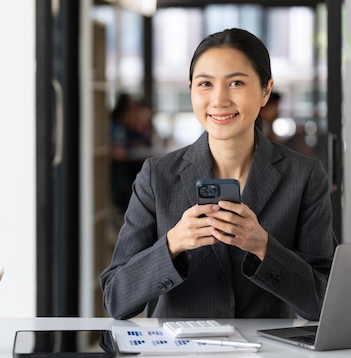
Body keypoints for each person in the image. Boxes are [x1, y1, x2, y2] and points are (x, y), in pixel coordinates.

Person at [99, 28, 337, 321]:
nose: (219, 99)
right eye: (205, 84)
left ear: (265, 91)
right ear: (191, 91)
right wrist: (173, 243)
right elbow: (116, 299)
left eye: (236, 82)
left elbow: (325, 301)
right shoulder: (156, 176)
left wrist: (263, 246)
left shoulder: (304, 176)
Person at [110, 93, 153, 214]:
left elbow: (145, 139)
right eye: (133, 112)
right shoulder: (117, 128)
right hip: (118, 183)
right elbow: (119, 153)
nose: (136, 115)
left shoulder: (126, 129)